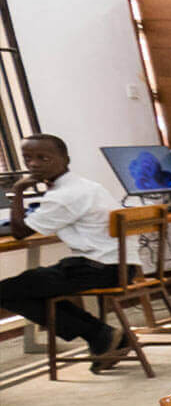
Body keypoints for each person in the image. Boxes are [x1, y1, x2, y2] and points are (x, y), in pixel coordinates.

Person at [0, 134, 136, 370]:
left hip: (98, 268)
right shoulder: (85, 185)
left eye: (43, 158)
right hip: (118, 265)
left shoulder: (65, 195)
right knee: (31, 285)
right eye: (27, 158)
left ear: (65, 159)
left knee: (7, 291)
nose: (33, 164)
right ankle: (104, 337)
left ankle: (100, 334)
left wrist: (19, 191)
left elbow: (20, 232)